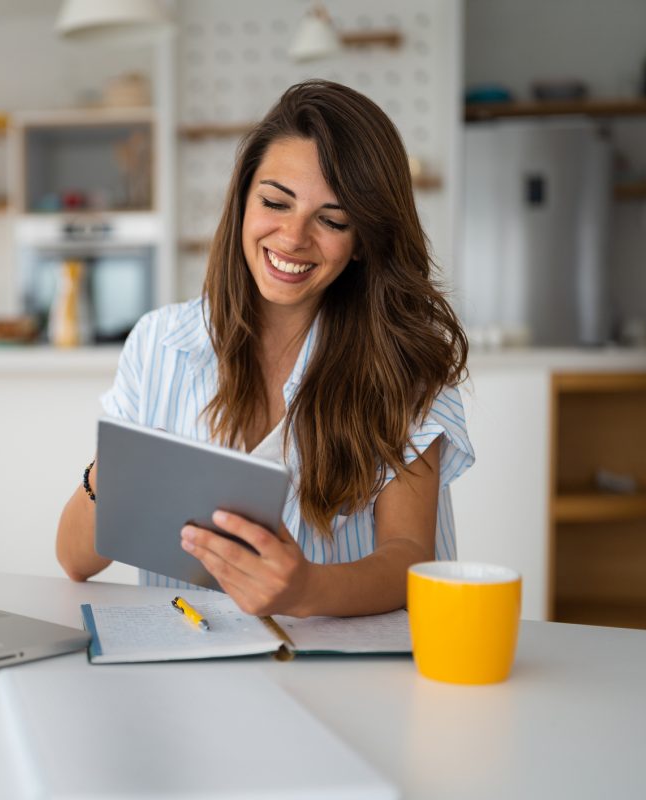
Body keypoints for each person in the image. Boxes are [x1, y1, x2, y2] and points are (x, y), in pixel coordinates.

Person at [55, 80, 474, 618]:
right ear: (243, 200)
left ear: (364, 240)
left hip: (337, 677)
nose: (294, 237)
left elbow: (410, 559)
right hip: (182, 674)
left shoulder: (401, 365)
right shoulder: (159, 344)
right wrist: (114, 470)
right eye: (276, 202)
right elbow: (74, 560)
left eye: (331, 219)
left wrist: (305, 590)